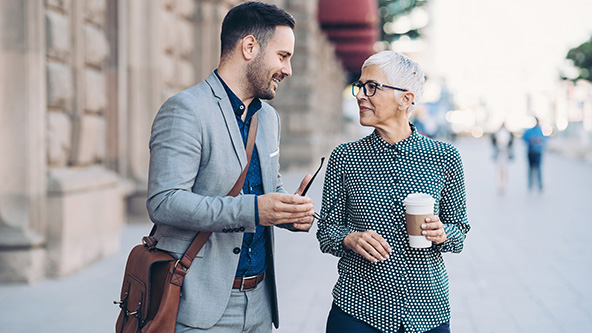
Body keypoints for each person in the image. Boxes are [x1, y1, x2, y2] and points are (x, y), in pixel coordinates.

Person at [146, 2, 315, 332]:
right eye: (283, 56)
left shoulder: (268, 118)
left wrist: (289, 211)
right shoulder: (185, 110)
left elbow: (267, 189)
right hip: (200, 305)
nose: (288, 69)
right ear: (249, 47)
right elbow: (163, 202)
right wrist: (254, 211)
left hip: (261, 303)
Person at [316, 51, 470, 333]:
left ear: (406, 99)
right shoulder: (345, 157)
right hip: (357, 311)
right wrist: (350, 238)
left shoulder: (445, 157)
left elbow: (460, 230)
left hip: (427, 312)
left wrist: (443, 233)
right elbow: (326, 232)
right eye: (360, 86)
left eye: (372, 87)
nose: (361, 95)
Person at [522, 117, 548, 192]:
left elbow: (544, 139)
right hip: (530, 152)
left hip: (538, 152)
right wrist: (531, 140)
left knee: (538, 169)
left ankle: (539, 184)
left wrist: (538, 141)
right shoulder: (529, 131)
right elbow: (525, 138)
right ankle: (530, 184)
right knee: (530, 169)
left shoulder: (540, 130)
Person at [491, 122, 514, 193]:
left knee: (504, 169)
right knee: (499, 169)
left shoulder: (507, 133)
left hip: (505, 152)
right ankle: (500, 184)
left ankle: (503, 184)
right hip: (500, 152)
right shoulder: (499, 133)